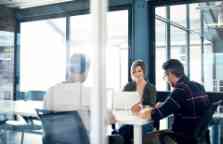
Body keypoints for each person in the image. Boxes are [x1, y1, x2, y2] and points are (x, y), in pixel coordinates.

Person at [44, 53, 123, 144]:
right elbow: (110, 118)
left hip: (56, 141)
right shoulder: (89, 93)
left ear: (69, 69)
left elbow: (48, 118)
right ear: (86, 71)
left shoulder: (50, 92)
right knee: (118, 139)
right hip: (83, 141)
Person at [137, 59, 210, 144]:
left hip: (182, 137)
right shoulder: (199, 86)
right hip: (198, 136)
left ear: (170, 74)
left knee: (145, 139)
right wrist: (164, 105)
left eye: (165, 76)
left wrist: (143, 112)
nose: (166, 80)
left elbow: (157, 114)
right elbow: (181, 105)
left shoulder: (180, 89)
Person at [118, 59, 156, 144]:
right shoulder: (128, 86)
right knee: (122, 131)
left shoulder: (150, 87)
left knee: (126, 132)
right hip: (130, 119)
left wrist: (141, 107)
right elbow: (121, 102)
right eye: (134, 72)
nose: (137, 74)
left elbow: (152, 106)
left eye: (139, 71)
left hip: (145, 120)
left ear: (144, 71)